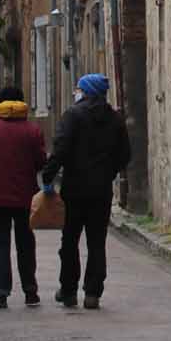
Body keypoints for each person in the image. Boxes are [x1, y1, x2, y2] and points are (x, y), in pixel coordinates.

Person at [41, 72, 130, 310]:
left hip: (74, 189)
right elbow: (125, 155)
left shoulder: (73, 115)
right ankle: (93, 293)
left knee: (70, 240)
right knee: (96, 242)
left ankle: (68, 290)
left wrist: (48, 176)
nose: (75, 92)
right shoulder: (115, 119)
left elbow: (60, 148)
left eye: (78, 88)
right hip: (101, 191)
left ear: (86, 91)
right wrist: (109, 172)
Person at [0, 84, 47, 309]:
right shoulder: (33, 131)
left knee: (0, 244)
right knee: (26, 244)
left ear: (0, 104)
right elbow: (41, 162)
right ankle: (30, 290)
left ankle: (1, 293)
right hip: (25, 197)